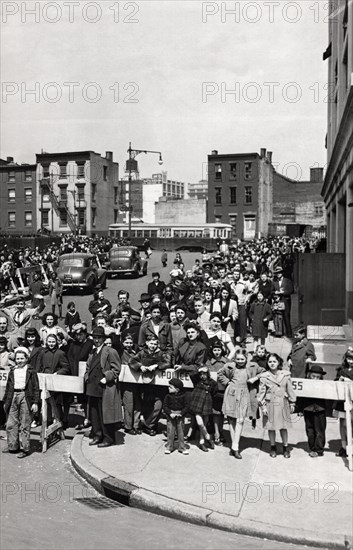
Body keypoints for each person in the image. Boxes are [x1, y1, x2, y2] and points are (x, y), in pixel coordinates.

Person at [85, 327, 122, 447]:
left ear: (103, 339)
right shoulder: (92, 352)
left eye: (99, 338)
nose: (96, 340)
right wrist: (86, 377)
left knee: (105, 414)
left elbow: (116, 369)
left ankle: (108, 438)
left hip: (104, 387)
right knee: (94, 413)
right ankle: (97, 435)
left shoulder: (110, 351)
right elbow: (88, 367)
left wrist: (106, 378)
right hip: (92, 386)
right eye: (94, 338)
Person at [129, 334, 170, 436]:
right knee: (147, 406)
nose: (153, 346)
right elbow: (132, 361)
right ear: (147, 343)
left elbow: (168, 363)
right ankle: (150, 426)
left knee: (158, 406)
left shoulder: (161, 354)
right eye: (151, 343)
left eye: (155, 344)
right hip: (146, 384)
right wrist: (140, 366)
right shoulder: (142, 353)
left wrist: (157, 366)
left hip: (159, 386)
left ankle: (148, 425)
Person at [3, 347, 40, 458]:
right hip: (13, 396)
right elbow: (8, 387)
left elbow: (36, 388)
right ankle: (13, 446)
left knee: (25, 423)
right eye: (17, 359)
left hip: (25, 396)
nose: (19, 361)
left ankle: (25, 448)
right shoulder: (13, 371)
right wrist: (6, 401)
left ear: (26, 359)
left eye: (22, 358)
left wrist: (35, 402)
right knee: (11, 423)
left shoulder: (31, 371)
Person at [258, 353, 296, 458]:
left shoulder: (285, 375)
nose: (272, 364)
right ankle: (273, 447)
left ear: (278, 362)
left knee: (283, 427)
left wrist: (292, 402)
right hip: (270, 404)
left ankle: (285, 447)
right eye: (270, 362)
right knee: (271, 427)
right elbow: (261, 393)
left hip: (282, 403)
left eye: (274, 361)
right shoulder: (265, 376)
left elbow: (290, 390)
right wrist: (263, 406)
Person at [218, 349, 252, 459]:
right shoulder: (230, 366)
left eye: (242, 359)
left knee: (240, 420)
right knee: (232, 420)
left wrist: (255, 378)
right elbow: (220, 373)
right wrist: (227, 382)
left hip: (244, 393)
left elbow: (263, 372)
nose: (240, 361)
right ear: (234, 359)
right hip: (231, 393)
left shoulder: (251, 367)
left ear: (246, 358)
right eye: (238, 359)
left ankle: (235, 446)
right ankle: (235, 447)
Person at [298, 364, 328, 457]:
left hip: (320, 410)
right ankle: (312, 448)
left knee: (319, 430)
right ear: (309, 375)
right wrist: (300, 409)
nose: (315, 379)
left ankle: (318, 449)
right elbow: (300, 397)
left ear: (321, 377)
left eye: (318, 377)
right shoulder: (305, 384)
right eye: (313, 376)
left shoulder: (324, 385)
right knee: (309, 429)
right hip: (308, 409)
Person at [188, 366, 217, 452]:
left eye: (204, 374)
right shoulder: (197, 380)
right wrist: (199, 370)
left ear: (208, 374)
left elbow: (214, 392)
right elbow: (192, 375)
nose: (202, 376)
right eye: (201, 374)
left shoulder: (212, 383)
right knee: (200, 424)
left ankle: (202, 442)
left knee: (204, 423)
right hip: (197, 403)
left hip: (207, 403)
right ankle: (208, 438)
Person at [205, 339, 227, 445]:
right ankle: (216, 432)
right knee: (214, 413)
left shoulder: (227, 362)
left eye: (218, 349)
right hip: (213, 391)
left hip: (224, 391)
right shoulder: (209, 362)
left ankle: (221, 431)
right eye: (215, 350)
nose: (217, 352)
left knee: (222, 413)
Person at [333, 348, 353, 458]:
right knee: (343, 424)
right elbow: (335, 383)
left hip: (352, 401)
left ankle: (351, 446)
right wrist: (339, 380)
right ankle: (343, 446)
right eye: (349, 359)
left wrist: (350, 382)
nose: (351, 361)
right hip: (342, 401)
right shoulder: (341, 369)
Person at [163, 378, 189, 455]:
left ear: (177, 389)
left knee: (181, 432)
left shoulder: (184, 396)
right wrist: (170, 413)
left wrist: (181, 413)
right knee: (170, 431)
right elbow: (165, 406)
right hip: (170, 415)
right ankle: (170, 447)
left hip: (180, 415)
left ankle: (182, 447)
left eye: (170, 387)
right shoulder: (168, 396)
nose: (168, 388)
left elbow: (187, 406)